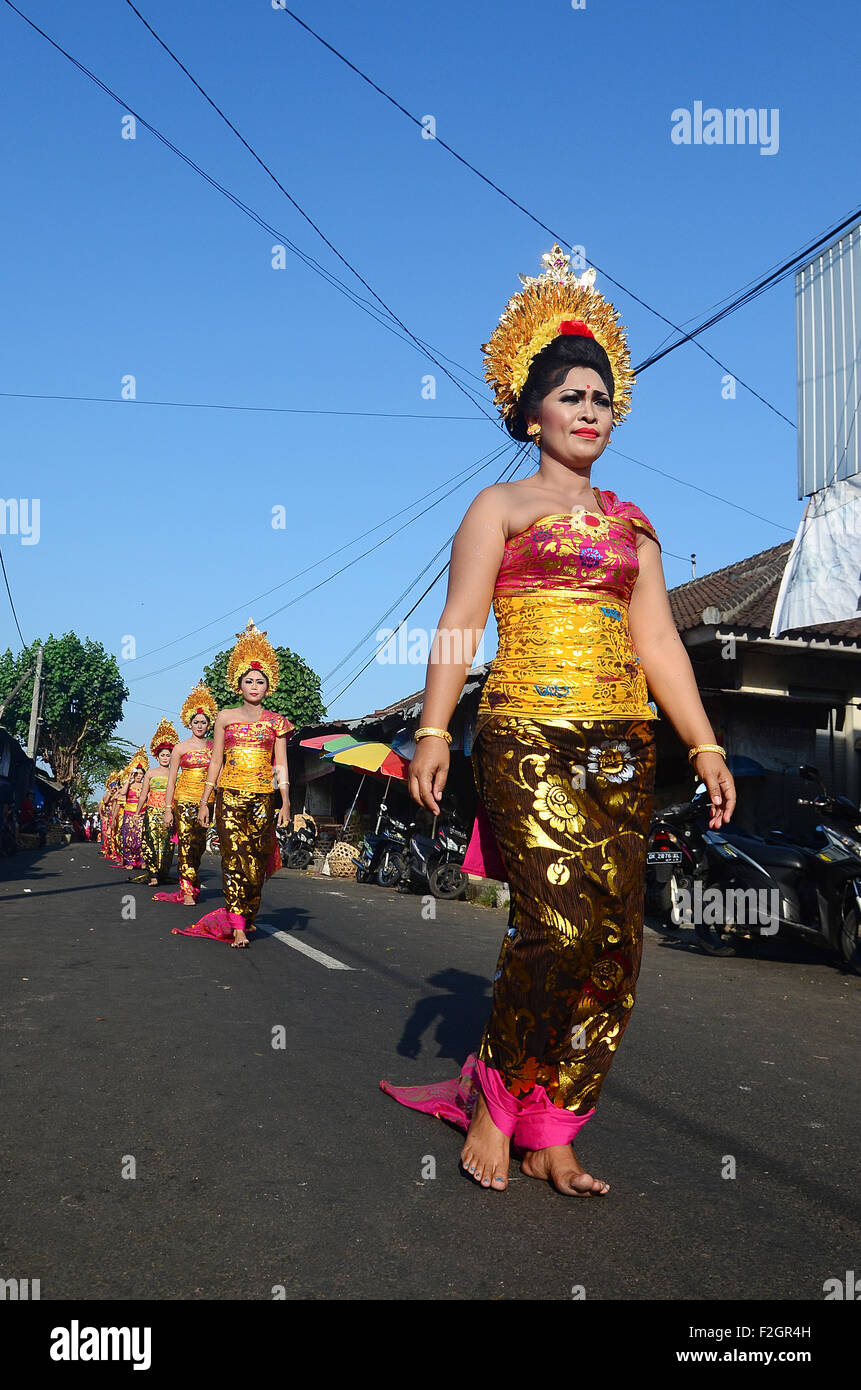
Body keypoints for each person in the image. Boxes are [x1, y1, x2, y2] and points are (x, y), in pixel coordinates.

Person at [381, 245, 736, 1196]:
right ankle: (496, 1099)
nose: (589, 410)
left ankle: (555, 1127)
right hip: (524, 736)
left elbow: (658, 642)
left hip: (621, 744)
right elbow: (459, 624)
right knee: (555, 926)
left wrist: (701, 741)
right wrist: (428, 730)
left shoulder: (634, 527)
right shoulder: (496, 507)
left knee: (615, 944)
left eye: (602, 398)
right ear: (531, 409)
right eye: (571, 395)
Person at [172, 622, 293, 948]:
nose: (254, 685)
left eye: (260, 681)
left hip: (262, 799)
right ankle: (237, 924)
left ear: (269, 687)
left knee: (255, 863)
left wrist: (286, 800)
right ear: (238, 685)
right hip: (229, 796)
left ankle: (245, 915)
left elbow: (279, 763)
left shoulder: (276, 722)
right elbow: (216, 761)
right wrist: (204, 801)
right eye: (248, 681)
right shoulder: (225, 717)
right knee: (234, 856)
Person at [153, 685, 217, 905]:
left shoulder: (215, 747)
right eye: (196, 722)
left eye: (204, 722)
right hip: (183, 800)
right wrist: (168, 809)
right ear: (189, 724)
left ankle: (193, 880)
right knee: (187, 844)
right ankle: (187, 889)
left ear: (209, 724)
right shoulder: (180, 748)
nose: (200, 725)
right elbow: (171, 781)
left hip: (207, 802)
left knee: (199, 847)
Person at [137, 719, 179, 886]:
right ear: (157, 756)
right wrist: (137, 812)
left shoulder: (175, 774)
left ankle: (162, 873)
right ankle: (153, 874)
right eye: (162, 755)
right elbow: (143, 795)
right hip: (152, 811)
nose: (165, 758)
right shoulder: (150, 773)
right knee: (150, 842)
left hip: (169, 812)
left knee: (167, 846)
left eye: (168, 755)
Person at [118, 750, 148, 872]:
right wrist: (129, 778)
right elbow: (123, 792)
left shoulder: (146, 785)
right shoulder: (129, 785)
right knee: (129, 838)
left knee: (141, 838)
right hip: (129, 814)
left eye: (141, 774)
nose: (139, 776)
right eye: (137, 774)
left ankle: (141, 860)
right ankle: (129, 861)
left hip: (142, 813)